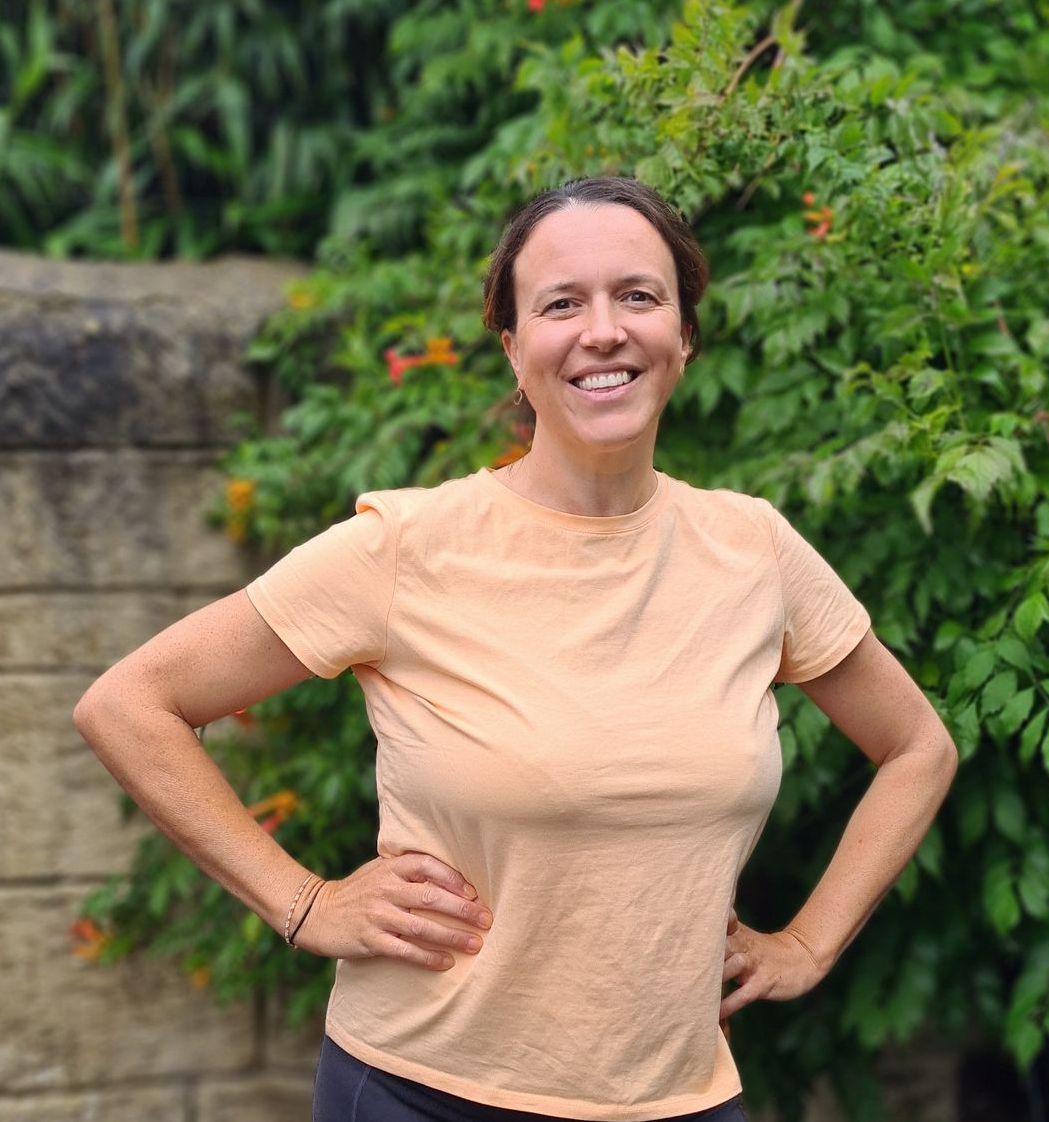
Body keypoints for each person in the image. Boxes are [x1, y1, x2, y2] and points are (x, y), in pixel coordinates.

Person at [74, 176, 958, 1122]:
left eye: (639, 296)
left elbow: (918, 748)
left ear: (685, 336)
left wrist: (810, 944)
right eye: (561, 304)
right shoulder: (409, 548)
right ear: (514, 349)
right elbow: (131, 704)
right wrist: (304, 903)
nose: (604, 331)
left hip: (681, 1096)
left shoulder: (755, 550)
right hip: (424, 1092)